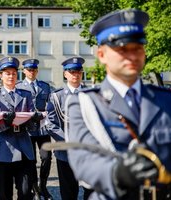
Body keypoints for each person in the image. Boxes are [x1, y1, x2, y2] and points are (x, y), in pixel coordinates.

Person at [65, 9, 171, 200]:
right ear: (102, 55)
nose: (132, 55)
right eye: (122, 49)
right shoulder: (85, 102)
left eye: (137, 48)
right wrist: (117, 173)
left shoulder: (165, 99)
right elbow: (83, 160)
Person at [0, 56, 37, 200]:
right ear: (1, 76)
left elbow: (32, 123)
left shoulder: (26, 95)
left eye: (14, 73)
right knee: (5, 193)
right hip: (4, 148)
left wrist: (34, 120)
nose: (11, 76)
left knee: (26, 192)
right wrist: (7, 123)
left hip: (24, 148)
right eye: (7, 73)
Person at [47, 57, 92, 200]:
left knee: (91, 191)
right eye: (71, 71)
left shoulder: (91, 94)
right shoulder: (56, 96)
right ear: (65, 74)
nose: (75, 74)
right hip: (65, 152)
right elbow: (51, 124)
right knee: (68, 192)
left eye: (78, 71)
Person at [16, 58, 53, 200]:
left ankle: (43, 185)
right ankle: (35, 188)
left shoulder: (45, 86)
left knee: (47, 158)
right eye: (29, 70)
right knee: (30, 161)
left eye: (34, 70)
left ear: (37, 71)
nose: (31, 72)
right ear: (24, 71)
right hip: (28, 129)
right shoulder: (19, 86)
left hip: (43, 129)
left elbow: (49, 106)